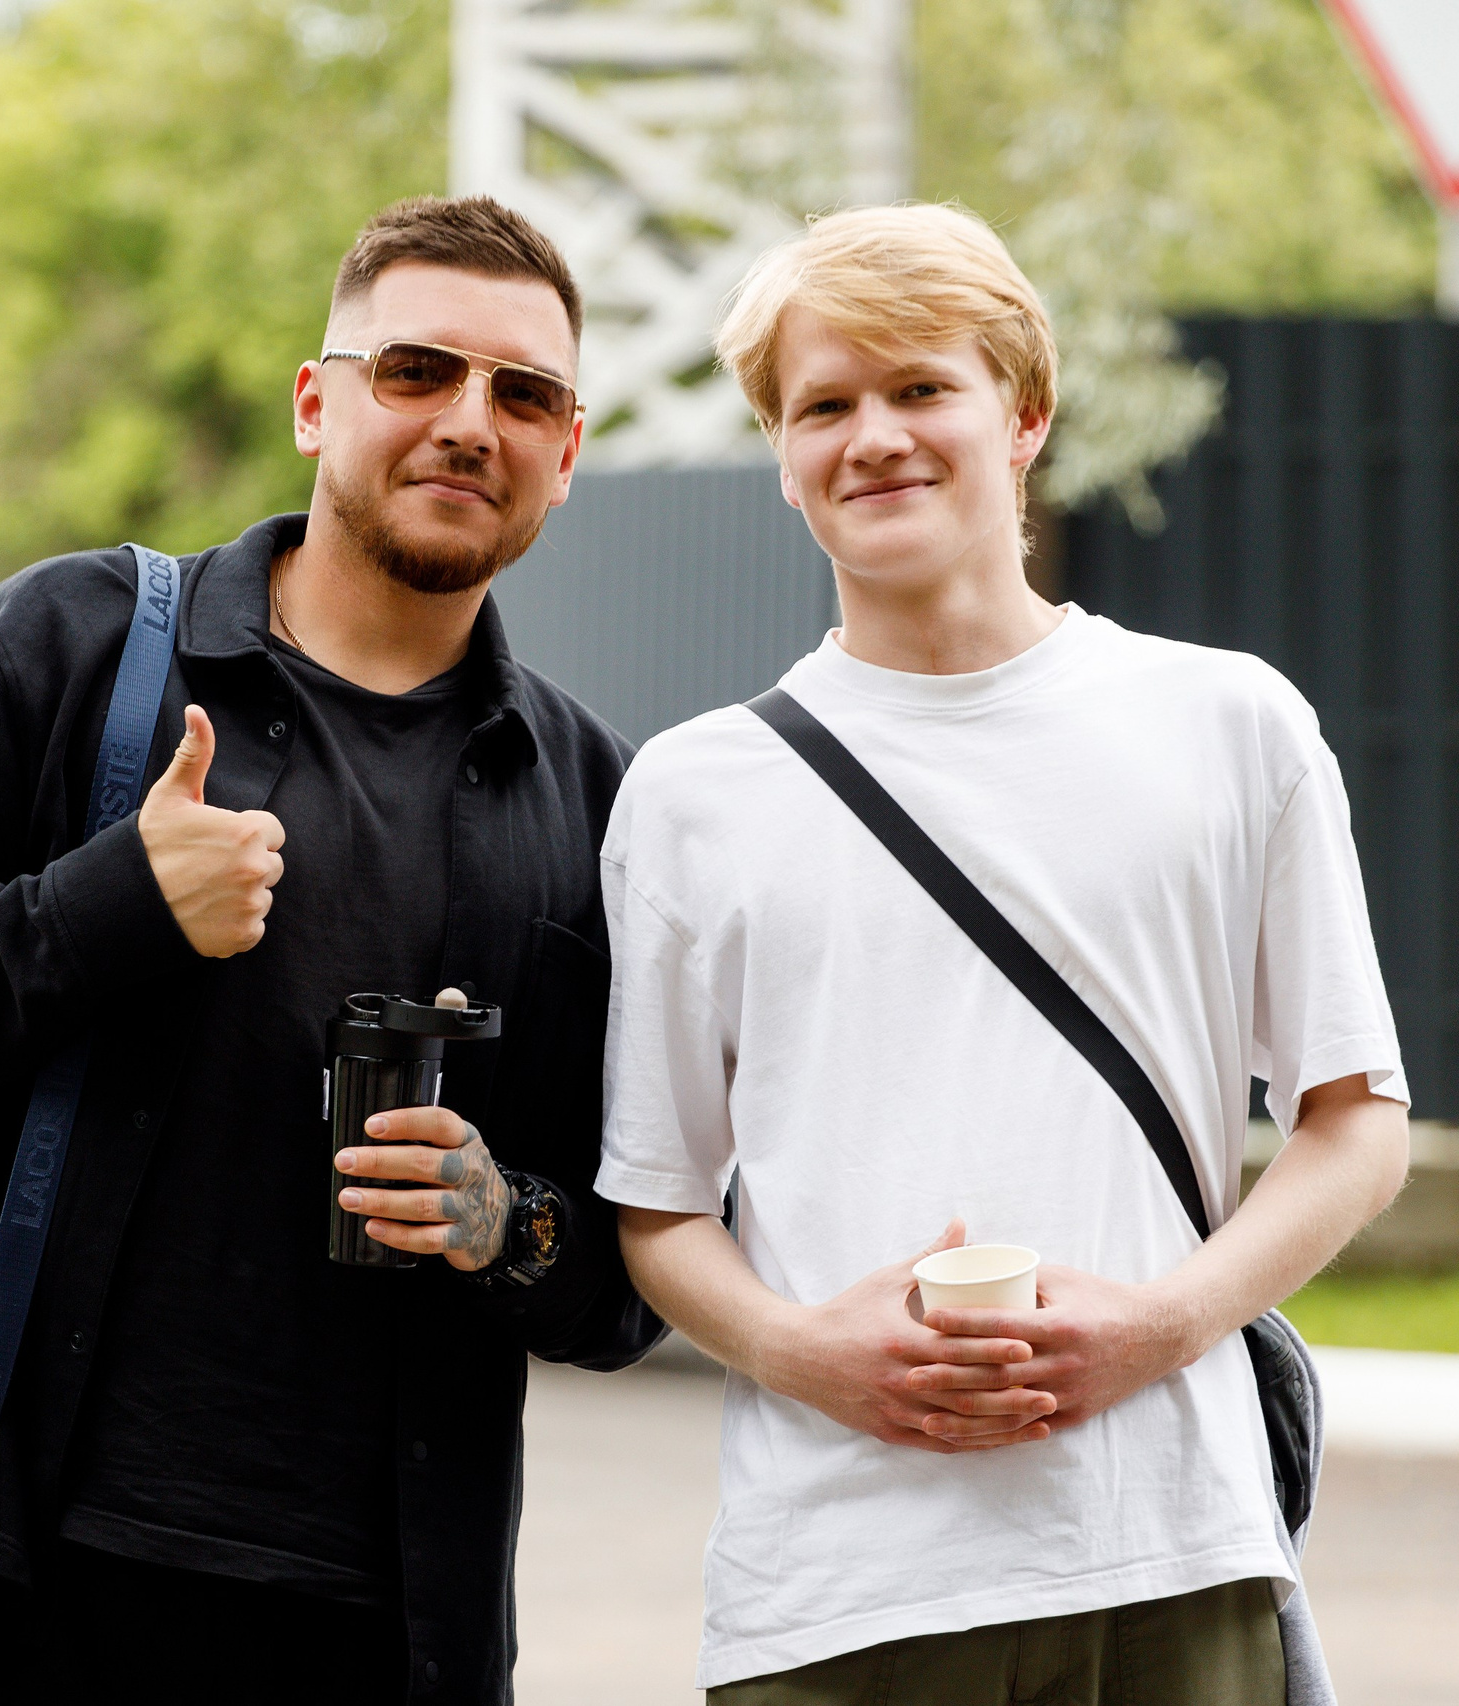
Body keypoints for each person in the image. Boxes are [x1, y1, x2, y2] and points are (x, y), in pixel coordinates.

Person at [0, 195, 660, 1705]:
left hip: (388, 1627)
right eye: (416, 371)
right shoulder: (73, 645)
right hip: (28, 1584)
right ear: (318, 403)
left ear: (566, 457)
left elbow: (632, 1275)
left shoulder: (591, 794)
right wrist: (108, 903)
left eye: (525, 395)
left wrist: (501, 1219)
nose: (469, 421)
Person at [595, 202, 1412, 1705]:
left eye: (922, 389)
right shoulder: (697, 794)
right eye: (824, 404)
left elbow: (1355, 1124)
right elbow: (656, 1207)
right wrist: (803, 1350)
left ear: (1023, 415)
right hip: (833, 1592)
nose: (874, 437)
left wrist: (1163, 1325)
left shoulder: (1231, 728)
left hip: (1171, 1552)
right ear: (782, 455)